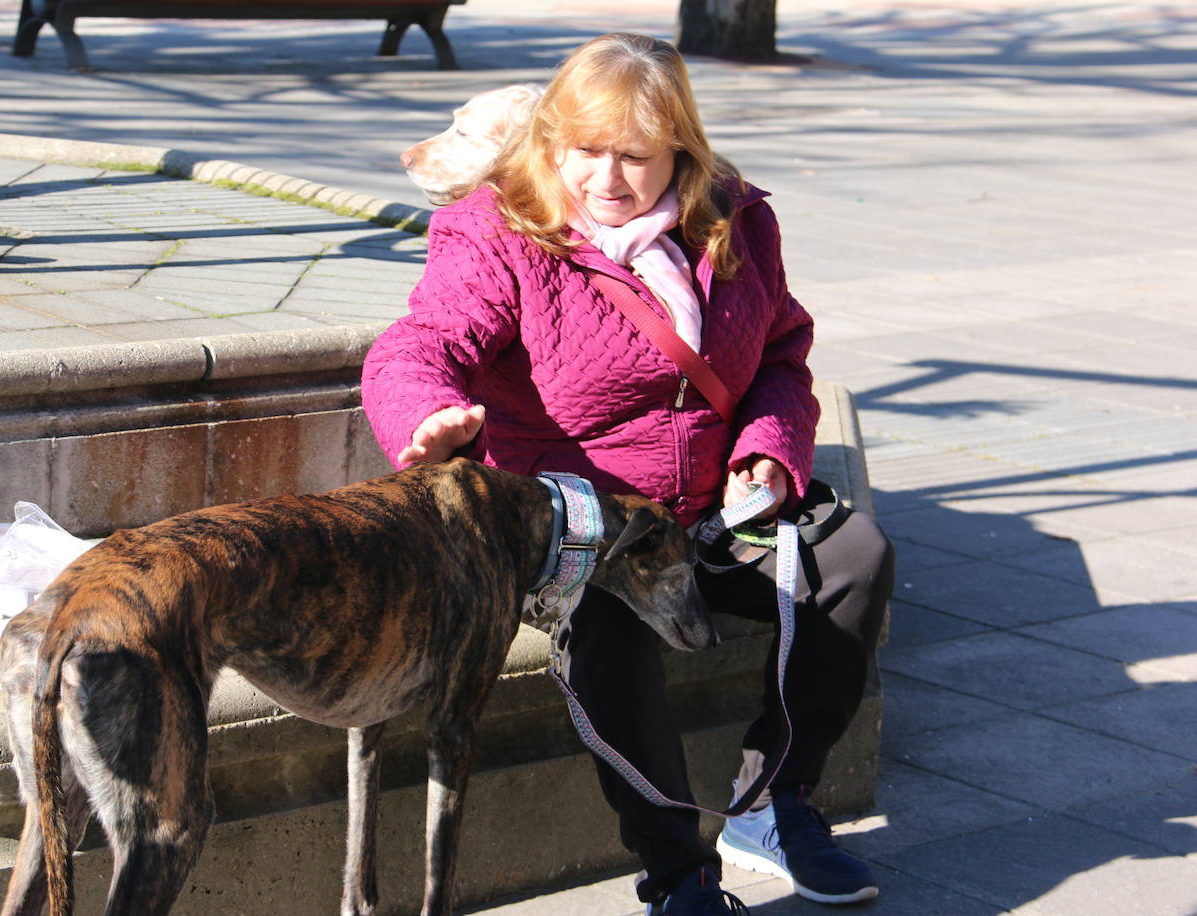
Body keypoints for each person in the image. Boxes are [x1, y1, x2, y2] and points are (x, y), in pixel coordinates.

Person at [362, 32, 894, 916]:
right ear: (551, 143)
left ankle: (773, 804)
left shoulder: (735, 219)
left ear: (681, 147)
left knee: (853, 559)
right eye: (585, 153)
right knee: (605, 627)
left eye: (636, 157)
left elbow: (780, 355)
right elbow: (419, 343)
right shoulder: (497, 230)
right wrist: (427, 415)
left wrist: (766, 444)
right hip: (583, 520)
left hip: (716, 508)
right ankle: (677, 876)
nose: (606, 180)